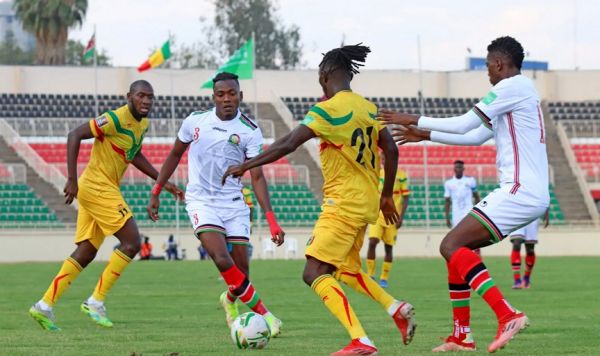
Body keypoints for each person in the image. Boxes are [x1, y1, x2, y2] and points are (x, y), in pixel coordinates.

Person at [223, 44, 416, 356]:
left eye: (319, 77)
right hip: (366, 204)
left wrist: (247, 164)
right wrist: (385, 196)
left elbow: (288, 143)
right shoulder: (368, 107)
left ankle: (361, 341)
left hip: (342, 204)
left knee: (313, 273)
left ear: (326, 75)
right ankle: (396, 308)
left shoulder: (327, 109)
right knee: (347, 269)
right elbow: (391, 149)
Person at [380, 36, 548, 352]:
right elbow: (474, 136)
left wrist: (412, 118)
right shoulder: (520, 93)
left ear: (499, 63)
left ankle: (507, 314)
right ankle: (462, 336)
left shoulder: (511, 87)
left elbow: (464, 122)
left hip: (519, 190)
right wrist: (425, 135)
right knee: (457, 249)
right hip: (526, 192)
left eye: (487, 66)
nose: (487, 73)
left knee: (450, 244)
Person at [29, 80, 184, 331]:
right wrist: (71, 179)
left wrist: (162, 182)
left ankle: (44, 306)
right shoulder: (114, 119)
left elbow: (133, 155)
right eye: (141, 96)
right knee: (132, 242)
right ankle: (95, 301)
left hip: (102, 188)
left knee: (87, 251)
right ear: (129, 97)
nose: (146, 101)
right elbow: (75, 135)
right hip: (96, 187)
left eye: (150, 97)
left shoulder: (142, 124)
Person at [147, 72, 285, 336]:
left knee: (242, 272)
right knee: (221, 258)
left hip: (234, 202)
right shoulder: (196, 121)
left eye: (232, 94)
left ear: (240, 96)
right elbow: (175, 154)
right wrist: (157, 190)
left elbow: (257, 175)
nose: (226, 99)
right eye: (220, 94)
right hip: (201, 200)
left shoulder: (250, 130)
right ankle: (267, 316)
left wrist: (271, 219)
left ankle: (229, 299)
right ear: (213, 97)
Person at [366, 165, 410, 288]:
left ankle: (384, 278)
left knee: (388, 248)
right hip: (378, 215)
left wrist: (401, 217)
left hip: (392, 216)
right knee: (372, 242)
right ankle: (370, 275)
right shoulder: (378, 174)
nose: (385, 161)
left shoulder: (401, 175)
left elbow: (406, 197)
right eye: (383, 158)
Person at [444, 160, 481, 255]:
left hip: (468, 212)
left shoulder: (470, 181)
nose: (458, 169)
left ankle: (477, 257)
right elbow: (447, 201)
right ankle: (462, 258)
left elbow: (476, 196)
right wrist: (447, 217)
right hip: (456, 214)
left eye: (460, 167)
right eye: (457, 167)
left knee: (472, 236)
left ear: (463, 169)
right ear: (454, 169)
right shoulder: (449, 183)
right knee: (458, 238)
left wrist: (480, 211)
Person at [510, 209, 549, 289]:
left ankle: (526, 279)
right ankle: (517, 280)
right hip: (517, 213)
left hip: (533, 213)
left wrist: (546, 213)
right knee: (516, 243)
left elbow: (545, 196)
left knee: (530, 249)